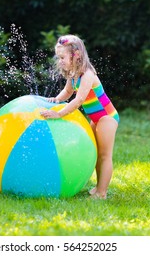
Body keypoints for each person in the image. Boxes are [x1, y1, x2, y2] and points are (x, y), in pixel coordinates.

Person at [40, 34, 119, 199]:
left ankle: (102, 192)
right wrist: (56, 100)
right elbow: (68, 92)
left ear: (76, 56)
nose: (60, 60)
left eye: (62, 57)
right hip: (96, 119)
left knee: (105, 156)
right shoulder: (73, 74)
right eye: (59, 57)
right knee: (97, 154)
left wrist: (59, 113)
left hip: (106, 117)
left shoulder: (87, 74)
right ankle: (98, 187)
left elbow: (79, 100)